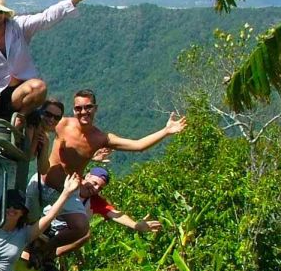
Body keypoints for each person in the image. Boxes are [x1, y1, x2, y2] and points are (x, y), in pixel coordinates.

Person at [28, 88, 186, 258]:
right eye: (78, 108)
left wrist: (166, 131)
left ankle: (47, 251)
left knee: (81, 227)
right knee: (25, 224)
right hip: (42, 182)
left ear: (95, 108)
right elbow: (41, 121)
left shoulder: (100, 138)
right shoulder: (62, 124)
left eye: (88, 107)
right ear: (74, 110)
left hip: (66, 191)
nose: (83, 112)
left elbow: (138, 145)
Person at [50, 166, 162, 258]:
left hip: (64, 235)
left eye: (99, 188)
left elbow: (116, 214)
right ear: (87, 176)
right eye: (94, 183)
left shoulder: (95, 201)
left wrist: (135, 225)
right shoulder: (69, 185)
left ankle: (51, 254)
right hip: (47, 222)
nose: (95, 188)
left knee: (86, 233)